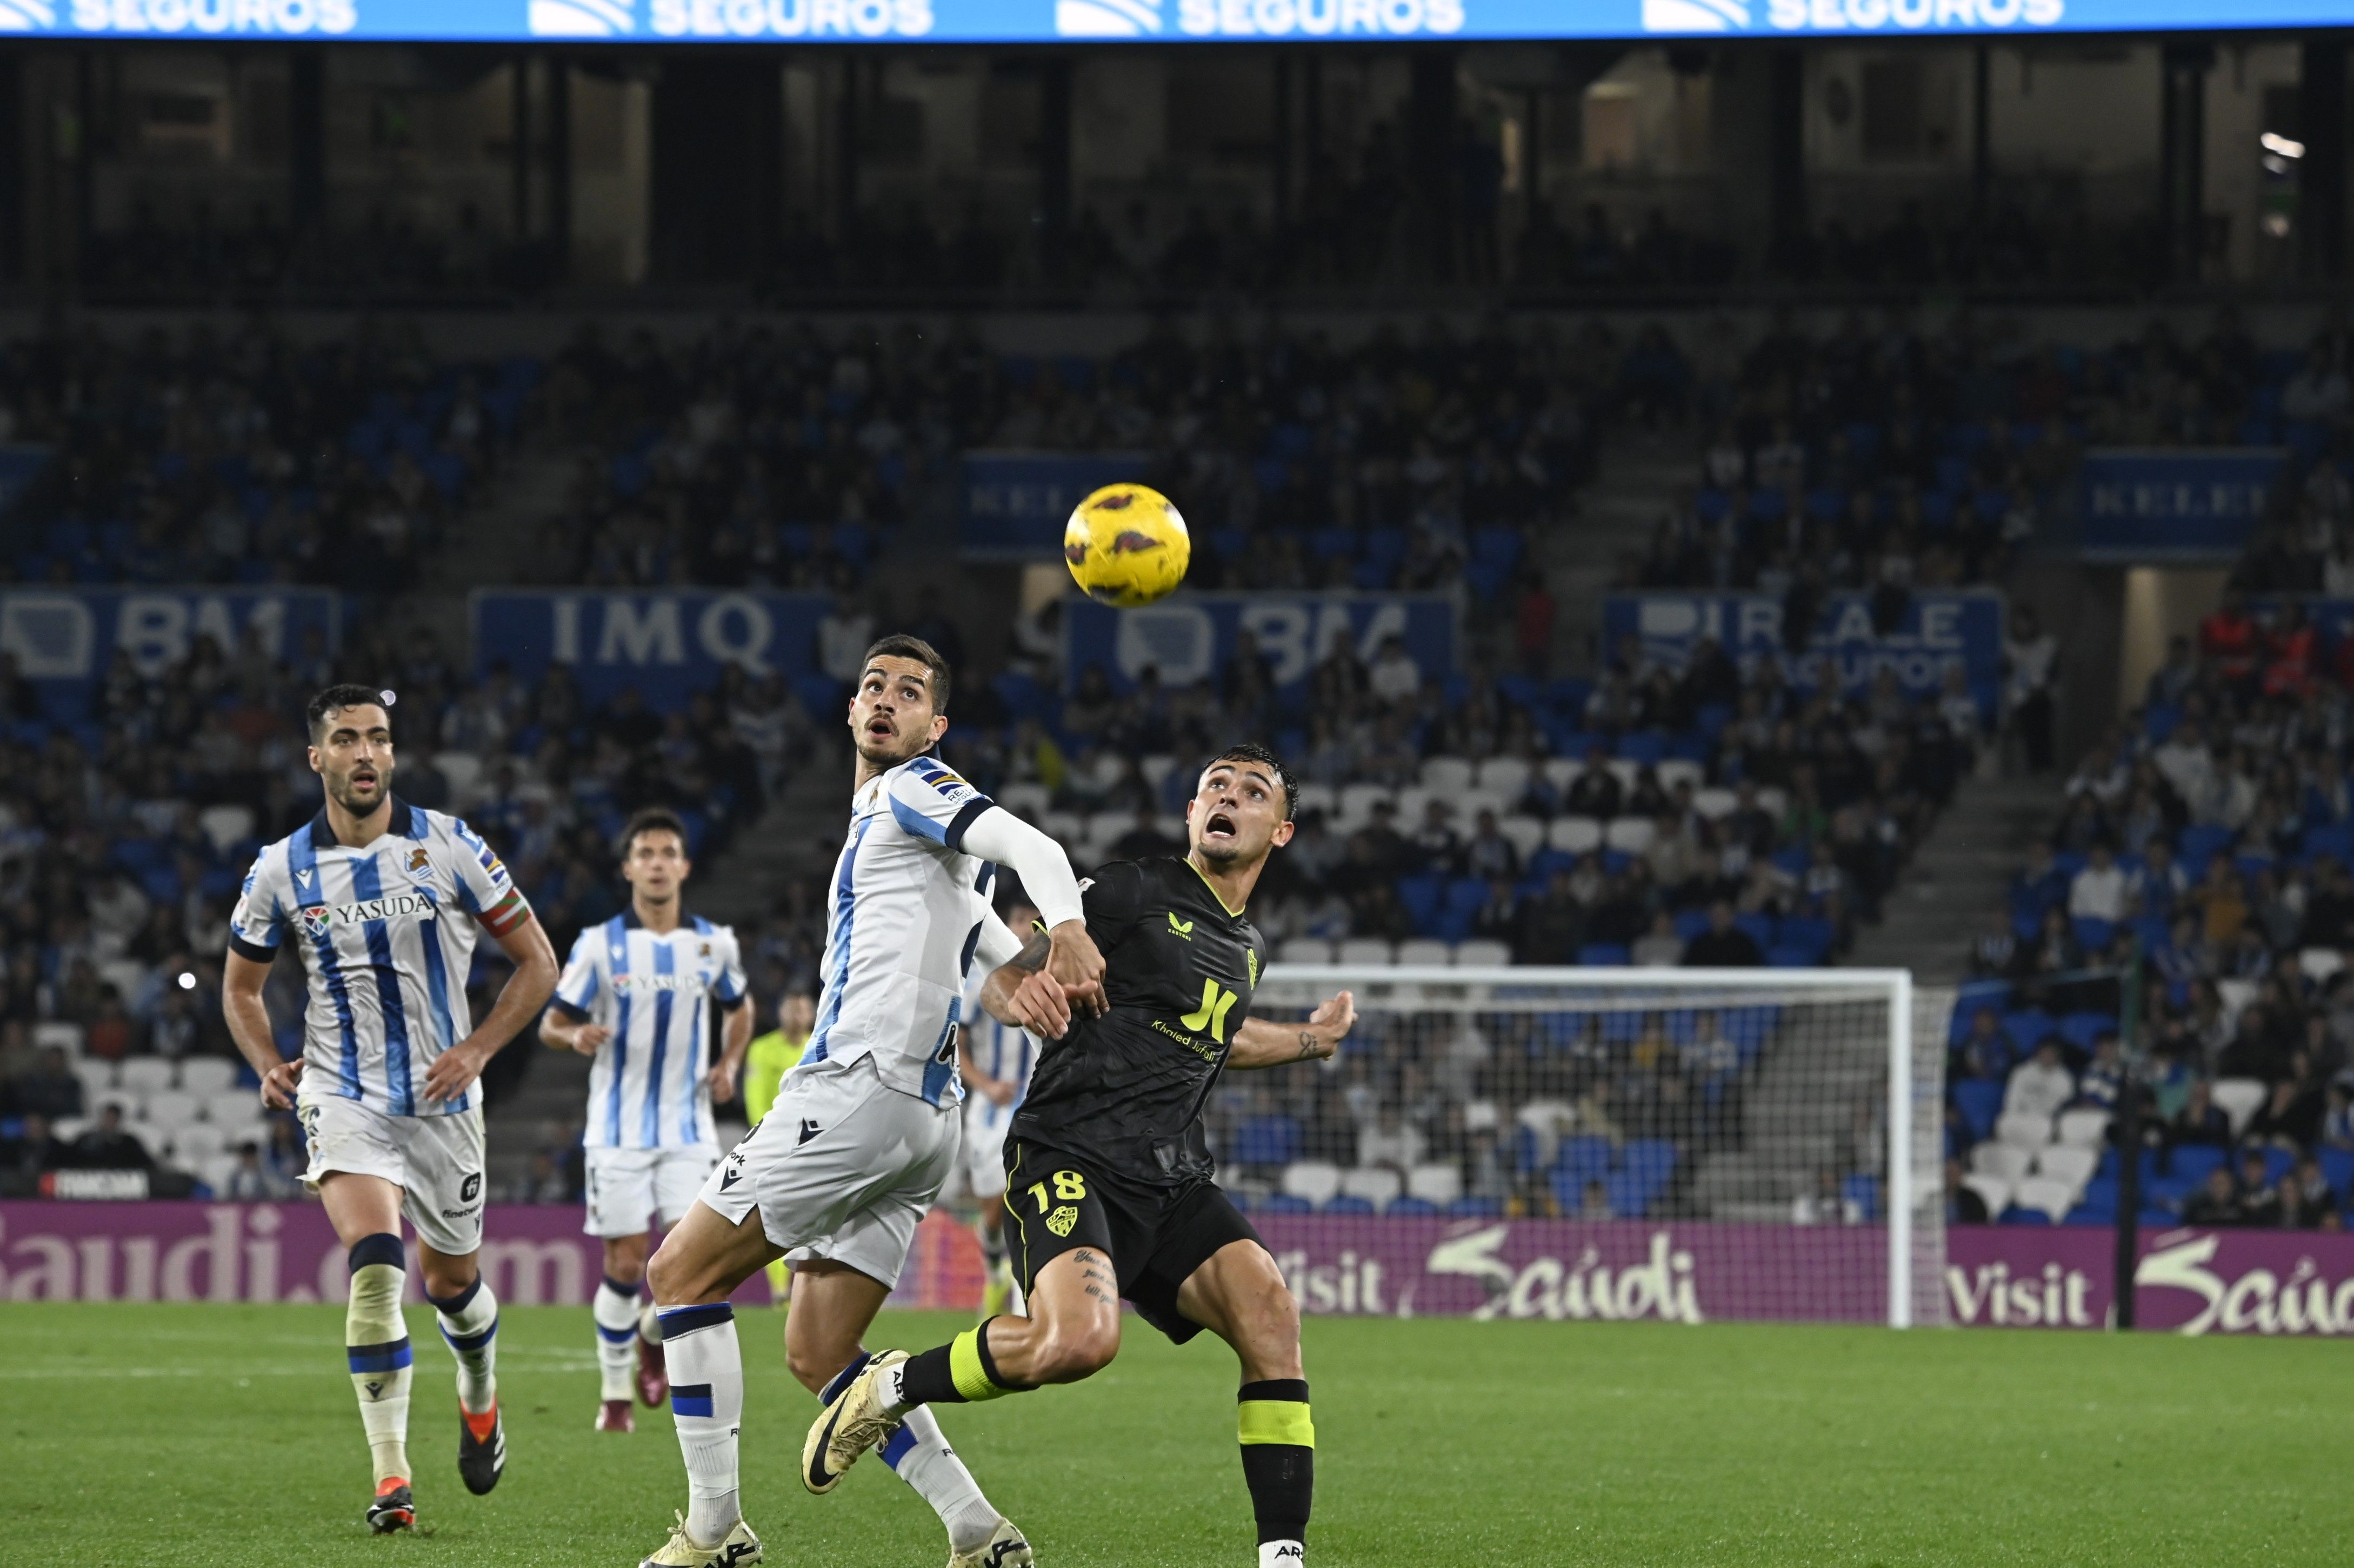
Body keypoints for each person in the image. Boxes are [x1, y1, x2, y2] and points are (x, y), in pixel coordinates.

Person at [804, 742, 1358, 1568]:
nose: (1227, 797)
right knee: (1074, 1346)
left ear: (1279, 831)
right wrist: (1018, 982)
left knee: (1271, 1317)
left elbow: (1217, 1038)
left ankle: (1282, 1556)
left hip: (1171, 1179)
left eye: (1250, 792)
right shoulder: (1134, 888)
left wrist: (1312, 1039)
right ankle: (887, 1385)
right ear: (1189, 813)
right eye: (1214, 784)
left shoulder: (1246, 949)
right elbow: (1018, 958)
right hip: (1071, 1155)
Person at [635, 636, 1100, 1568]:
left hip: (858, 1091)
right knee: (819, 1351)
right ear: (851, 710)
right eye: (873, 686)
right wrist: (1024, 984)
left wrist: (1071, 928)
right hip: (925, 1125)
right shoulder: (912, 848)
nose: (886, 700)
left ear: (937, 726)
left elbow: (1030, 845)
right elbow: (988, 953)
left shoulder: (909, 789)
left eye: (911, 691)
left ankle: (715, 1531)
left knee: (679, 1278)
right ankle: (979, 1532)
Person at [219, 684, 558, 1533]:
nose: (364, 753)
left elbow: (538, 963)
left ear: (394, 752)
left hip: (444, 1105)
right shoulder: (278, 869)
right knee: (376, 1266)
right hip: (342, 1094)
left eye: (377, 738)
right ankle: (392, 1478)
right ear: (317, 758)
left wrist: (477, 1048)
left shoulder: (449, 845)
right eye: (345, 739)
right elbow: (240, 988)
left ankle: (479, 1391)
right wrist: (267, 1063)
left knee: (452, 1285)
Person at [539, 806, 754, 1436]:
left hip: (690, 1132)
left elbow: (740, 1009)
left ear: (683, 867)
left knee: (696, 1262)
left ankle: (647, 1333)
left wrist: (730, 1062)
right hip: (616, 1130)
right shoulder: (599, 945)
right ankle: (614, 1398)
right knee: (626, 1263)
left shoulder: (714, 943)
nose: (657, 864)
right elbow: (552, 1022)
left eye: (668, 853)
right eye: (646, 854)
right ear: (629, 867)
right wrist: (574, 1034)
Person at [956, 898, 1042, 1320]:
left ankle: (1023, 1295)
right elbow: (958, 1043)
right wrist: (985, 1084)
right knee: (992, 1207)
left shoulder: (1051, 976)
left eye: (1032, 920)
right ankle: (993, 1260)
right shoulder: (982, 981)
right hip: (990, 1109)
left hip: (1035, 1105)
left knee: (1023, 1198)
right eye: (1018, 920)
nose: (1025, 927)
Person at [741, 988, 815, 1305]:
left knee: (812, 1219)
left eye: (802, 1010)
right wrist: (768, 1138)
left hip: (814, 1142)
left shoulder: (820, 1044)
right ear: (781, 1013)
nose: (796, 1017)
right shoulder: (762, 1048)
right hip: (774, 1143)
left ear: (811, 1014)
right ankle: (781, 1293)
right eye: (791, 1010)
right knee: (773, 1216)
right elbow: (755, 1095)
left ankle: (806, 1290)